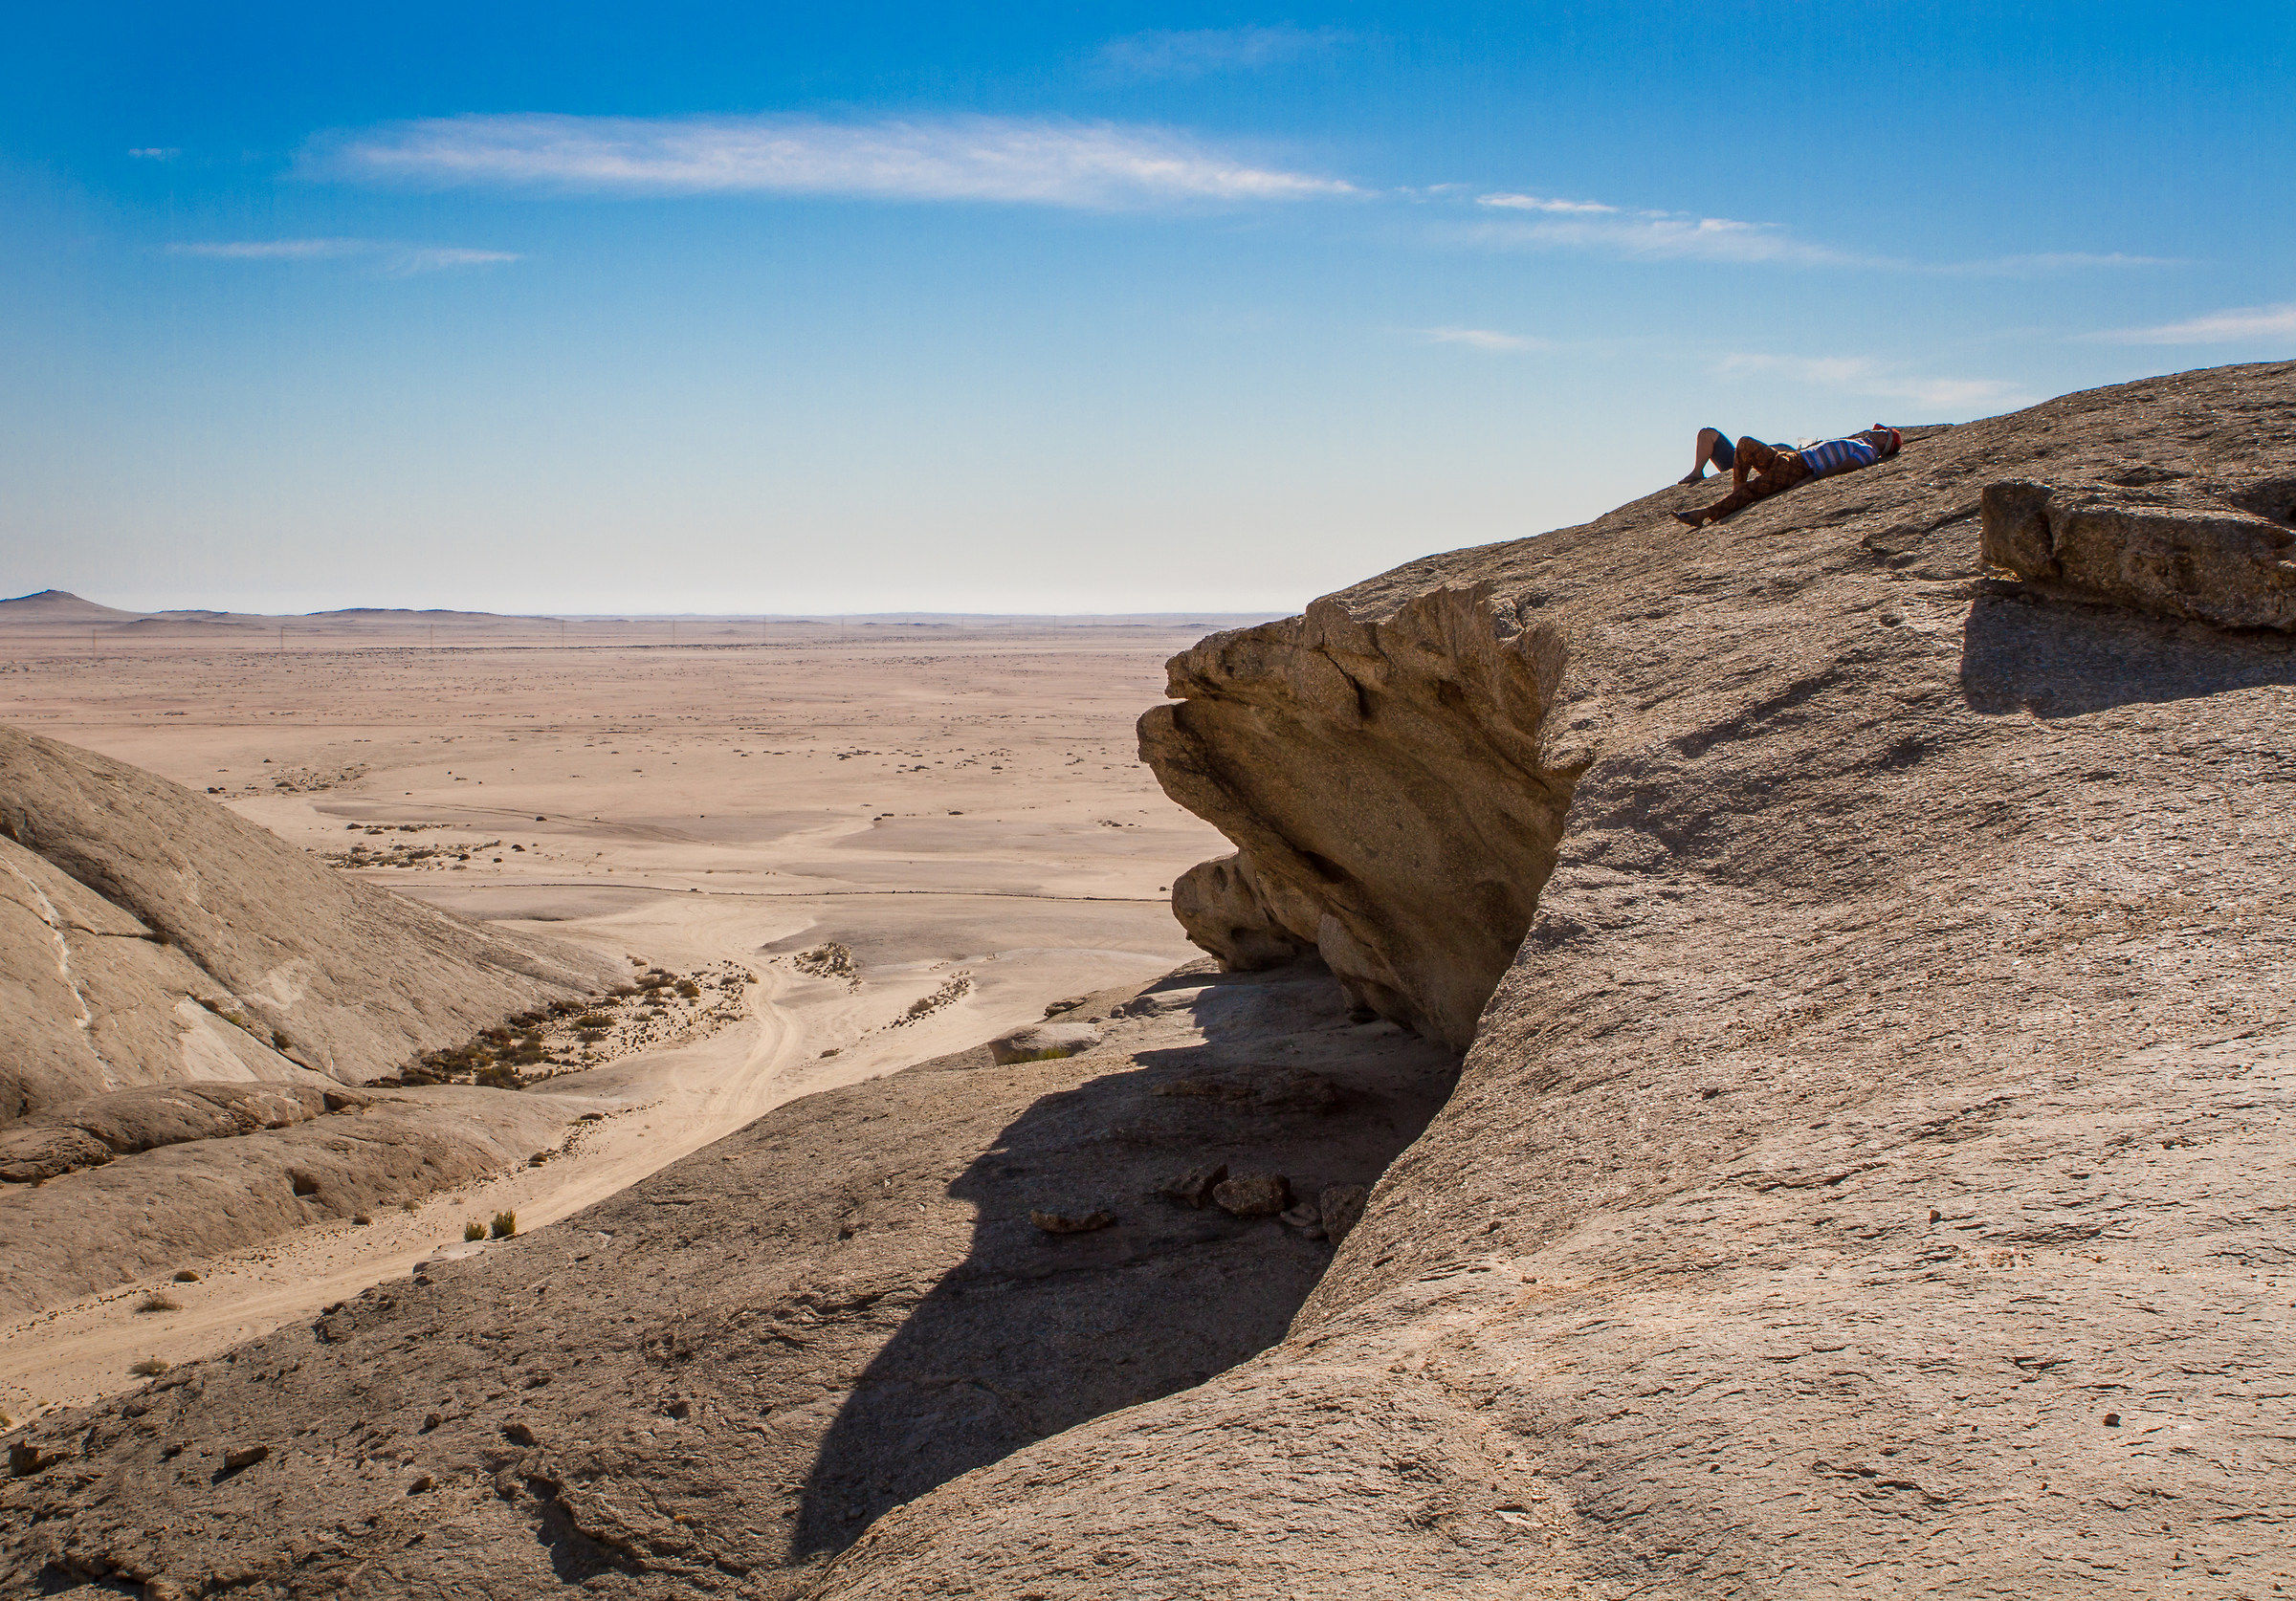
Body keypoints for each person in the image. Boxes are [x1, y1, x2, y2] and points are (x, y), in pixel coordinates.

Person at [1673, 426, 1904, 527]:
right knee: (1744, 444)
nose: (1878, 431)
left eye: (1884, 433)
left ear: (1886, 444)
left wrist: (1812, 478)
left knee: (1754, 490)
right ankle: (1736, 492)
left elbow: (1847, 466)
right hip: (1791, 459)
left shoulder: (1869, 452)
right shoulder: (1862, 441)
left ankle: (1704, 514)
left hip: (1799, 469)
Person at [1679, 426, 1790, 485]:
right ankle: (1697, 471)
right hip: (1737, 455)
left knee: (1784, 448)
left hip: (1748, 463)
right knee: (1707, 433)